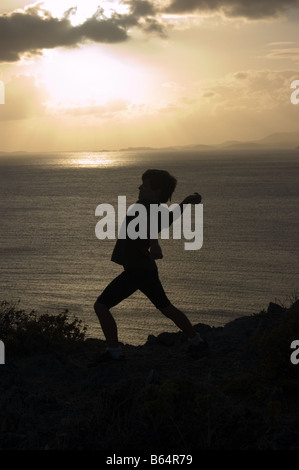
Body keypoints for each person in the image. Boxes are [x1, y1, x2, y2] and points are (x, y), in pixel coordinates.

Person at [94, 169, 208, 360]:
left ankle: (113, 352)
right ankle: (197, 340)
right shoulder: (154, 208)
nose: (140, 187)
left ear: (156, 191)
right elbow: (165, 220)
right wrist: (186, 203)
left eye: (144, 185)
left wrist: (154, 244)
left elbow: (150, 226)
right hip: (145, 269)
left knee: (101, 306)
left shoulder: (143, 206)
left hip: (137, 270)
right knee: (166, 308)